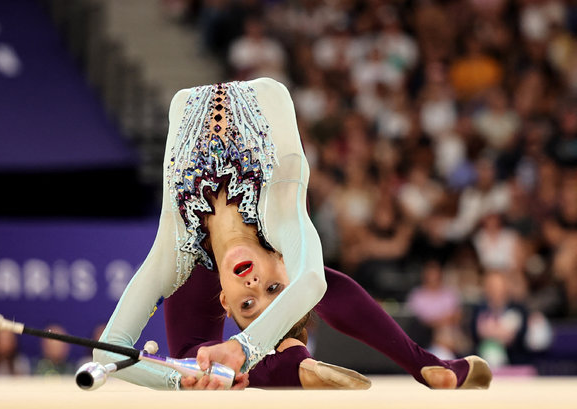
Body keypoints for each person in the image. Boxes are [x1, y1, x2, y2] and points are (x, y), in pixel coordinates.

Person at [96, 77, 491, 390]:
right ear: (283, 262)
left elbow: (104, 353)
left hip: (202, 246)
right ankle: (420, 364)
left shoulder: (175, 252)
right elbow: (313, 281)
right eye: (272, 289)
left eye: (246, 305)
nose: (252, 284)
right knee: (310, 283)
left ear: (225, 303)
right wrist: (245, 348)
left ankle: (288, 366)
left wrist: (182, 382)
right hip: (264, 95)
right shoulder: (279, 211)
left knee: (188, 352)